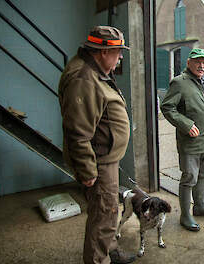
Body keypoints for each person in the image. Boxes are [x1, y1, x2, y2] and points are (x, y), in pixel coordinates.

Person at [58, 26, 136, 264]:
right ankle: (98, 259)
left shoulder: (96, 70)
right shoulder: (84, 78)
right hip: (98, 163)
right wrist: (88, 171)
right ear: (103, 52)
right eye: (118, 52)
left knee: (110, 212)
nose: (120, 57)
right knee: (103, 216)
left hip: (105, 158)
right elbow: (77, 133)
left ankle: (110, 250)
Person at [160, 48, 204, 232]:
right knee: (189, 178)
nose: (201, 65)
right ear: (188, 63)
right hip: (190, 141)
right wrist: (186, 125)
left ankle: (199, 206)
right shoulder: (179, 82)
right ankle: (185, 216)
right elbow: (167, 107)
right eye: (197, 62)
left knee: (202, 174)